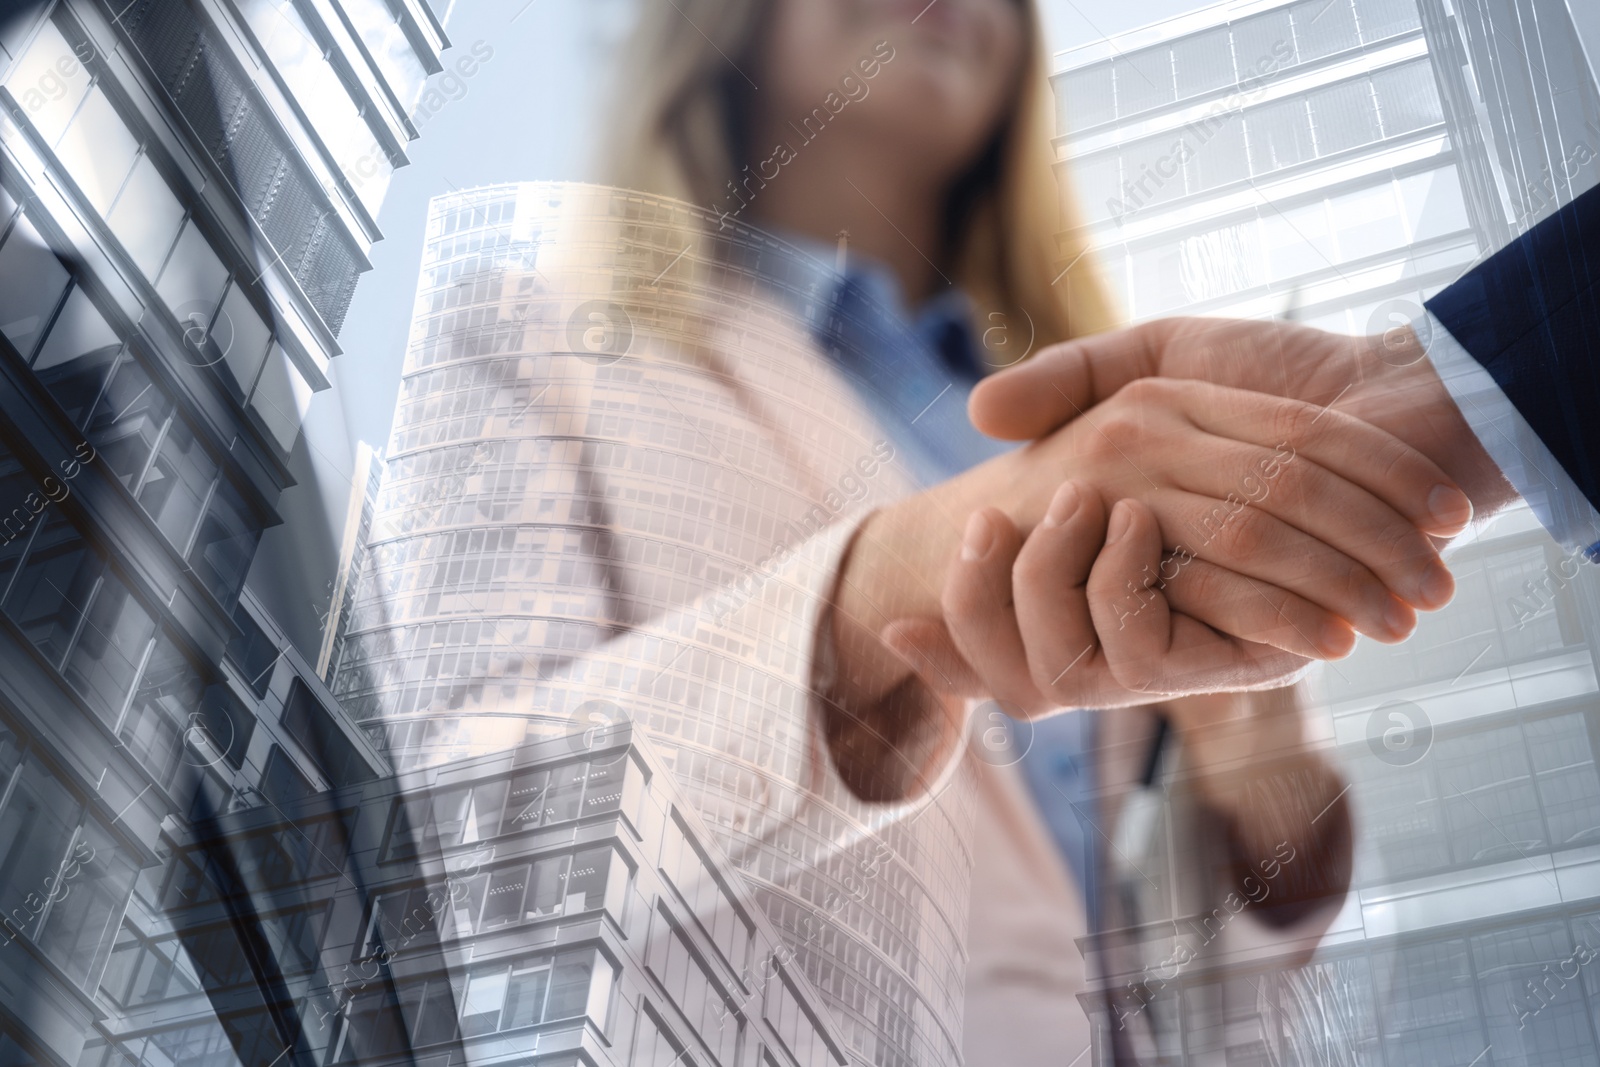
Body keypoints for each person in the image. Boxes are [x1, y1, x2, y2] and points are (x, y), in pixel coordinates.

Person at [591, 0, 1460, 1063]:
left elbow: (1212, 992)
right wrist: (882, 591)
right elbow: (467, 830)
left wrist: (1258, 771)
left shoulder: (1105, 405)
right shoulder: (549, 347)